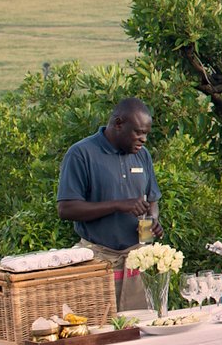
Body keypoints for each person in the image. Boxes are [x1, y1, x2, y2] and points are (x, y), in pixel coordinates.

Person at [56, 98, 161, 311]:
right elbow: (66, 209)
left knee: (141, 331)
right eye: (138, 132)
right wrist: (117, 205)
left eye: (146, 133)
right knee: (101, 331)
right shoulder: (81, 153)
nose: (144, 139)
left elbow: (152, 199)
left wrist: (153, 221)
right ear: (118, 124)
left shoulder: (142, 155)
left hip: (137, 262)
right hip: (99, 261)